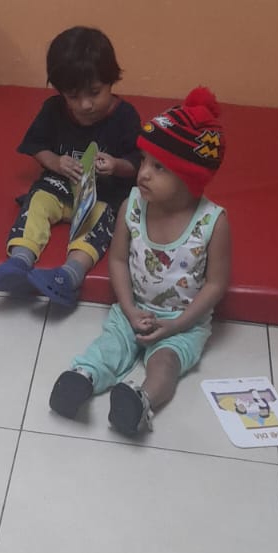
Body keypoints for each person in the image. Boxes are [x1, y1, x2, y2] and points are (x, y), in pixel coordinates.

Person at [49, 88, 230, 436]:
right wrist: (130, 310)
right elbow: (118, 260)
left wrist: (177, 325)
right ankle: (81, 379)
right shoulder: (132, 205)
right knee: (109, 347)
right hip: (132, 310)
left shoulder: (213, 222)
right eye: (144, 161)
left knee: (166, 363)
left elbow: (216, 284)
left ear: (190, 178)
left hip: (184, 323)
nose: (142, 173)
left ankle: (140, 400)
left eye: (158, 167)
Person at [0, 27, 140, 306]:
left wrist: (116, 165)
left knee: (106, 218)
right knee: (37, 201)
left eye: (95, 93)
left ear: (112, 80)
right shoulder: (53, 109)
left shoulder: (125, 117)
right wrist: (56, 162)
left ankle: (70, 275)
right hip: (59, 187)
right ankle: (20, 259)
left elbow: (137, 164)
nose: (86, 105)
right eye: (73, 97)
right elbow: (36, 146)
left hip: (102, 195)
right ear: (61, 92)